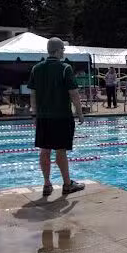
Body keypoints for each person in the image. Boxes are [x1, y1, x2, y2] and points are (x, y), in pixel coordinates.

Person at [29, 37, 86, 197]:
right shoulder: (64, 68)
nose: (63, 52)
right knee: (60, 150)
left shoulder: (36, 69)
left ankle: (47, 184)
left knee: (44, 150)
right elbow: (74, 94)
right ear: (58, 50)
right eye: (63, 49)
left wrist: (34, 114)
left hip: (43, 117)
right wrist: (80, 113)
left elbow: (32, 94)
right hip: (61, 116)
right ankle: (67, 184)